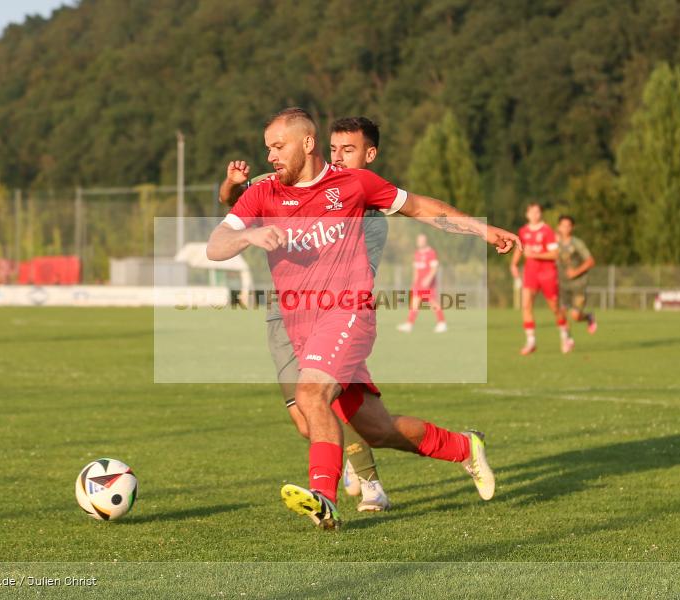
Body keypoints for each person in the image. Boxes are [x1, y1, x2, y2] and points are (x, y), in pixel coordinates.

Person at [207, 107, 520, 529]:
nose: (271, 156)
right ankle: (463, 447)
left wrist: (483, 230)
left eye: (278, 147)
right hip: (300, 325)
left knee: (312, 395)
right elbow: (217, 243)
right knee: (377, 430)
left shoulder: (354, 185)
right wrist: (248, 235)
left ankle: (323, 496)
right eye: (268, 148)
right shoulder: (265, 193)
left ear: (307, 143)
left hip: (347, 314)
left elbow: (422, 207)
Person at [219, 116, 391, 512]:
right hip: (285, 311)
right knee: (304, 419)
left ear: (371, 154)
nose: (339, 158)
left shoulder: (371, 218)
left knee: (322, 399)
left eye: (349, 151)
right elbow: (236, 203)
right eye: (334, 150)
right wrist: (231, 183)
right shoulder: (284, 177)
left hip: (334, 312)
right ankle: (348, 458)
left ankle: (369, 482)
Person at [510, 203, 572, 355]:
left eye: (537, 212)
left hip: (548, 273)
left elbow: (555, 254)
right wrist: (513, 264)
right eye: (531, 212)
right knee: (526, 305)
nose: (534, 215)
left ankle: (565, 337)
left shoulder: (547, 231)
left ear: (541, 214)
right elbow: (520, 248)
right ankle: (531, 342)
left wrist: (535, 255)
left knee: (555, 308)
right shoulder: (523, 231)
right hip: (530, 273)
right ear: (527, 214)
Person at [397, 233, 446, 333]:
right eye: (418, 240)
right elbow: (416, 269)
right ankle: (409, 324)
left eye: (422, 240)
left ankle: (442, 323)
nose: (420, 242)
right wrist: (414, 283)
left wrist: (428, 278)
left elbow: (434, 268)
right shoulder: (417, 253)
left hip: (428, 284)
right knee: (414, 303)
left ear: (425, 241)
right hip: (419, 284)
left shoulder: (431, 253)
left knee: (432, 302)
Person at [556, 215, 597, 335]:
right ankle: (567, 339)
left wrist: (576, 272)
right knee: (562, 313)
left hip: (578, 285)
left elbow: (591, 261)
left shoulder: (577, 243)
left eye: (568, 226)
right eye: (563, 225)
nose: (566, 228)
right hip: (562, 284)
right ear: (559, 227)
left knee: (575, 316)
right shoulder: (555, 244)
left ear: (572, 227)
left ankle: (588, 317)